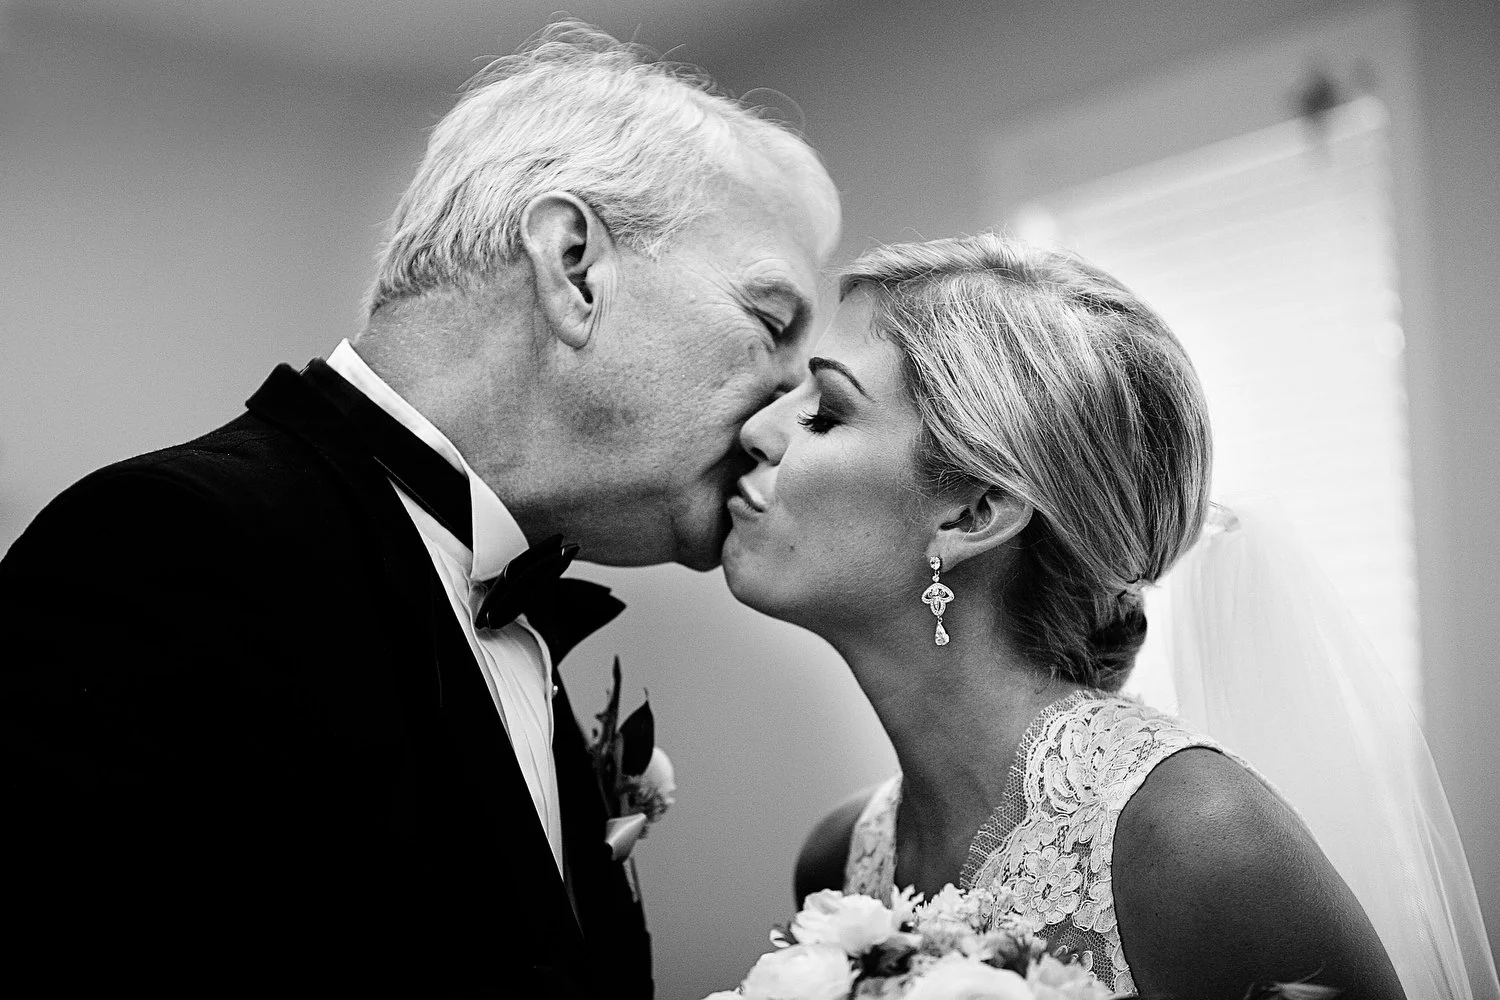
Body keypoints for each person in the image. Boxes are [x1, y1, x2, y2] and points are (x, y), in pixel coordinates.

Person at [0, 20, 839, 997]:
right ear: (574, 266)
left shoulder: (499, 593)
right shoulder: (164, 546)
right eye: (771, 324)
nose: (789, 404)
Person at [721, 233, 1498, 998]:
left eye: (823, 411)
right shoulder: (836, 867)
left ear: (973, 513)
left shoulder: (1196, 839)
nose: (757, 430)